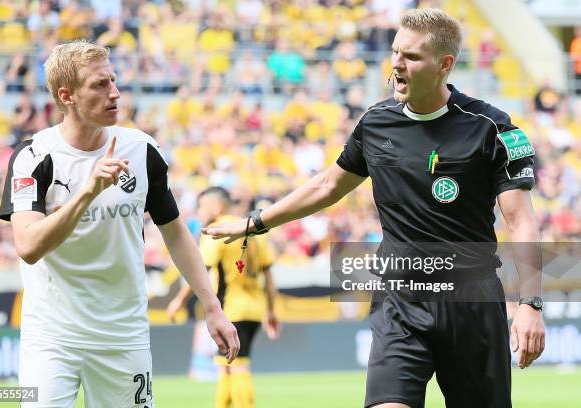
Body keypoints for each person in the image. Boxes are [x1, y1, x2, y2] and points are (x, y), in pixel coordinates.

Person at [204, 8, 545, 408]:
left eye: (412, 56)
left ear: (445, 64)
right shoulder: (376, 123)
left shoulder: (493, 128)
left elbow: (521, 219)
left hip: (471, 300)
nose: (397, 64)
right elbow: (328, 185)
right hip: (399, 299)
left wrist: (530, 304)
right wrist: (255, 222)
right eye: (395, 51)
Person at [0, 40, 239, 407]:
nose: (115, 93)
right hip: (51, 338)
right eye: (99, 85)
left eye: (113, 80)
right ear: (67, 96)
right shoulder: (33, 157)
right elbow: (28, 246)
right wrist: (88, 191)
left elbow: (175, 233)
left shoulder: (142, 150)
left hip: (123, 336)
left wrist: (212, 306)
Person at [167, 187, 280, 408]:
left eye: (202, 206)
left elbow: (200, 270)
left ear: (217, 207)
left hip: (231, 309)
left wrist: (179, 300)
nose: (199, 211)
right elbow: (268, 275)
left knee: (237, 367)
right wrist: (271, 311)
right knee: (226, 367)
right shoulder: (253, 229)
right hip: (255, 309)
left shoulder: (217, 231)